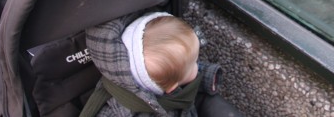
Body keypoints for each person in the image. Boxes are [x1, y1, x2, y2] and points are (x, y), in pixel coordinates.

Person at [85, 12, 235, 117]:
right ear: (171, 88)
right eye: (194, 63)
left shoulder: (167, 79)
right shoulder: (119, 111)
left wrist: (208, 77)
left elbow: (190, 81)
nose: (198, 64)